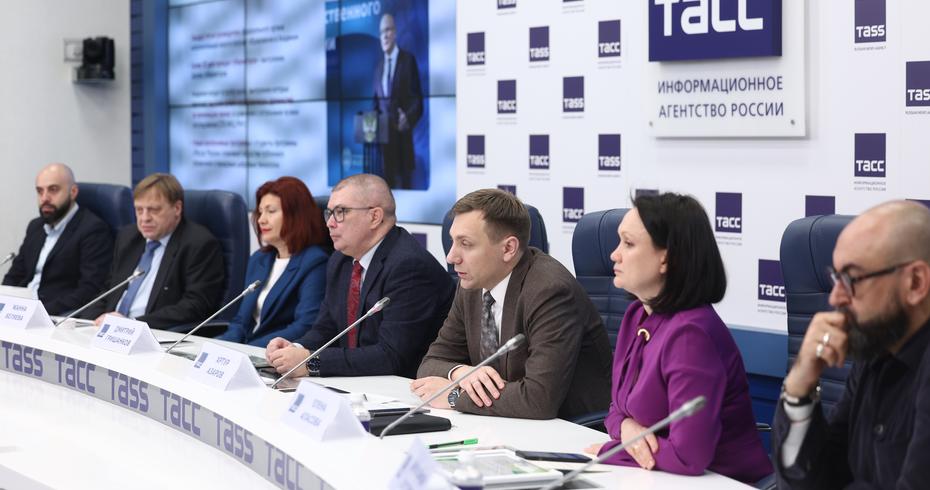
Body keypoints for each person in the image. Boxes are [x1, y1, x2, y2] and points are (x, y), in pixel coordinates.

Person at [586, 193, 771, 484]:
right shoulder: (636, 315)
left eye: (628, 243)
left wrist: (612, 449)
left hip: (722, 482)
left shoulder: (691, 335)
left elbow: (689, 457)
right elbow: (615, 410)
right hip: (659, 478)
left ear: (666, 258)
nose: (614, 254)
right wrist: (626, 429)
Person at [413, 189, 612, 420]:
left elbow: (538, 400)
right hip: (504, 421)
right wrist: (461, 373)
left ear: (508, 248)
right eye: (453, 241)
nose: (451, 257)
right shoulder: (471, 285)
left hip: (569, 427)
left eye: (465, 244)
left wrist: (454, 396)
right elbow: (430, 364)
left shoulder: (550, 291)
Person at [773, 200, 930, 489]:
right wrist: (799, 386)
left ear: (916, 282)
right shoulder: (875, 353)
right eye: (836, 278)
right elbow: (812, 478)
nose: (834, 298)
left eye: (851, 278)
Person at [265, 174, 454, 378]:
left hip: (402, 387)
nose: (330, 223)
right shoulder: (341, 260)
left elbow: (391, 357)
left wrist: (311, 362)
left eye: (341, 212)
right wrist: (295, 348)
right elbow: (326, 328)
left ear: (374, 217)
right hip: (358, 382)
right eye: (329, 213)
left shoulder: (408, 266)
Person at [84, 173, 225, 330]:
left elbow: (195, 306)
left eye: (154, 210)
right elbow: (110, 291)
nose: (144, 218)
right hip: (110, 330)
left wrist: (132, 324)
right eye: (139, 210)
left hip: (153, 332)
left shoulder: (198, 244)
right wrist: (85, 321)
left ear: (177, 208)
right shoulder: (128, 237)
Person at [217, 177, 329, 347]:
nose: (261, 219)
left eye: (271, 211)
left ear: (296, 215)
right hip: (248, 351)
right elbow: (241, 322)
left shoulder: (315, 262)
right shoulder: (259, 259)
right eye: (260, 212)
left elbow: (304, 326)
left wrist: (248, 350)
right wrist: (220, 347)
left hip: (276, 354)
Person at [2, 163, 112, 315]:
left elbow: (89, 290)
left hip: (55, 314)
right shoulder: (35, 226)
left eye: (53, 190)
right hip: (20, 312)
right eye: (40, 191)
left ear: (73, 192)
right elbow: (15, 275)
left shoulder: (93, 229)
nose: (45, 198)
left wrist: (39, 312)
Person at [373, 12, 423, 190]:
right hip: (384, 152)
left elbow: (418, 100)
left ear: (394, 33)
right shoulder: (378, 68)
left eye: (388, 30)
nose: (384, 36)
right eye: (381, 32)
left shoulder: (408, 60)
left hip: (403, 147)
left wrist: (407, 118)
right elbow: (375, 105)